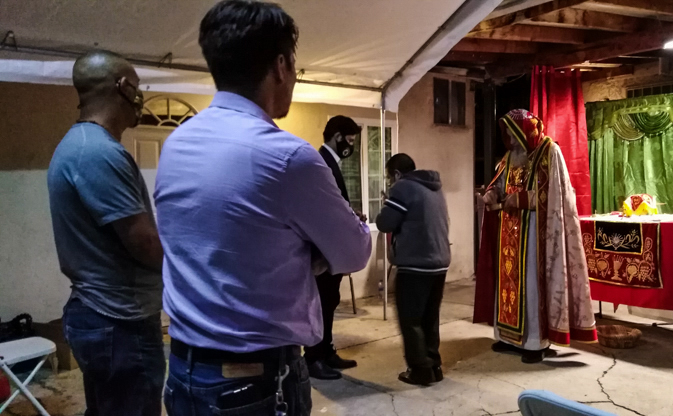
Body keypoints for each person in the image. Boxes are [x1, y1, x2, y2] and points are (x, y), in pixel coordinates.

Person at [154, 2, 372, 415]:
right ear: (281, 66)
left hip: (184, 371)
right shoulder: (289, 158)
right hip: (255, 382)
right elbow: (353, 253)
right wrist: (311, 255)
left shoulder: (178, 143)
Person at [47, 50, 165, 416]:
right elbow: (143, 243)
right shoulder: (98, 152)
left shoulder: (83, 145)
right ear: (123, 87)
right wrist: (195, 268)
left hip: (104, 316)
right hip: (119, 321)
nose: (140, 97)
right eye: (137, 87)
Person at [473, 109, 597, 363]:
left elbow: (554, 196)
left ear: (525, 132)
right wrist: (492, 194)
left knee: (531, 287)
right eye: (507, 134)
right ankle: (508, 338)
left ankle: (534, 343)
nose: (510, 140)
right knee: (508, 285)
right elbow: (500, 184)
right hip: (509, 233)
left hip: (534, 235)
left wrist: (519, 199)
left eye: (513, 134)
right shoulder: (511, 157)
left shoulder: (549, 152)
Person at [376, 154, 451, 386]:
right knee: (430, 317)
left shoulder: (403, 188)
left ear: (397, 174)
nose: (390, 182)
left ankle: (420, 370)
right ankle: (434, 366)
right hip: (439, 262)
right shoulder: (434, 188)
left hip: (416, 263)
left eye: (390, 177)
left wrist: (387, 202)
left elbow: (385, 223)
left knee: (411, 319)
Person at [306, 115, 365, 380]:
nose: (351, 146)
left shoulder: (330, 162)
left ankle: (327, 351)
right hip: (323, 250)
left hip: (332, 249)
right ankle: (314, 357)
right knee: (321, 304)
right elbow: (324, 208)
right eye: (349, 140)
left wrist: (351, 214)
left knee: (330, 301)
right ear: (338, 136)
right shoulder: (322, 162)